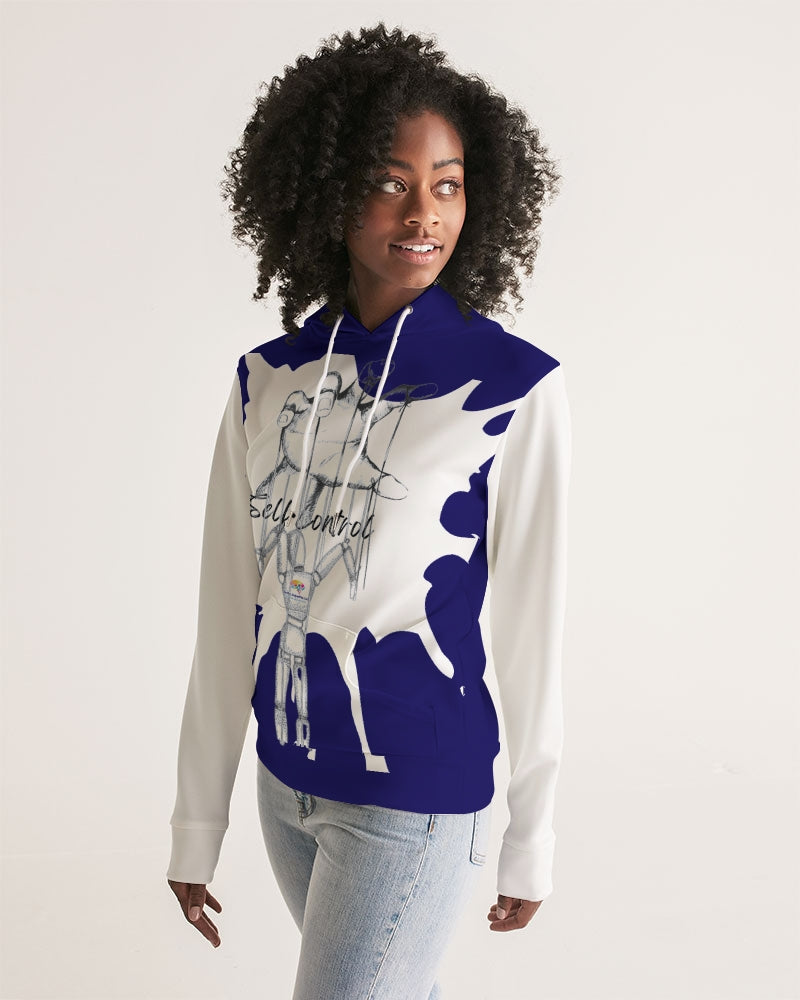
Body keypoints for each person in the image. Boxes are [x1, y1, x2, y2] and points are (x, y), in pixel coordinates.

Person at [167, 22, 571, 999]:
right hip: (286, 789)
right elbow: (227, 611)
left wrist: (532, 832)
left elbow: (532, 623)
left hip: (412, 797)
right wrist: (197, 820)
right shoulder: (267, 382)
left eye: (448, 184)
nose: (424, 212)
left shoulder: (511, 386)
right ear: (326, 191)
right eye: (391, 182)